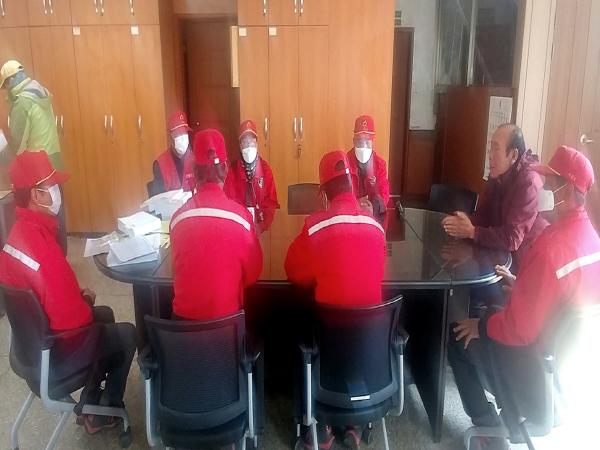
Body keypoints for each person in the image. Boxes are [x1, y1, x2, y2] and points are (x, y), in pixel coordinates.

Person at [448, 145, 600, 450]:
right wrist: (522, 284)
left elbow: (518, 329)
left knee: (457, 338)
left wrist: (481, 325)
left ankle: (489, 429)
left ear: (568, 190)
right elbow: (563, 298)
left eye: (551, 183)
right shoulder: (592, 240)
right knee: (496, 306)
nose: (544, 189)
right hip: (560, 366)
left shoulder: (550, 249)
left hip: (527, 364)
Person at [0, 151, 136, 434]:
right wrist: (84, 299)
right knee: (127, 335)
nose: (57, 191)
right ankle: (104, 412)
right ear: (36, 195)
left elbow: (45, 294)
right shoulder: (41, 248)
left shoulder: (19, 234)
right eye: (51, 186)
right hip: (54, 356)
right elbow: (72, 320)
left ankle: (92, 403)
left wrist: (77, 297)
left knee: (105, 314)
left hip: (29, 348)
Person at [285, 150, 386, 449]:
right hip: (369, 353)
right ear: (352, 185)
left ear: (323, 194)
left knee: (300, 325)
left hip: (329, 351)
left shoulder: (316, 227)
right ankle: (354, 424)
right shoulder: (376, 228)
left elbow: (293, 271)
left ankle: (319, 426)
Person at [170, 128, 263, 320]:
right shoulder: (242, 219)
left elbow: (178, 270)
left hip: (181, 332)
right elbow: (253, 273)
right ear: (226, 169)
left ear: (194, 171)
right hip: (225, 330)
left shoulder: (177, 220)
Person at [442, 124, 548, 272]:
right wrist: (464, 222)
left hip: (523, 264)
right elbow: (485, 215)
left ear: (513, 155)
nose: (490, 155)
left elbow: (512, 239)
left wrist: (472, 232)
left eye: (496, 149)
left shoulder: (529, 183)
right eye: (490, 148)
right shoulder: (497, 174)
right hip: (498, 253)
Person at [1, 60, 68, 254]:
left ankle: (47, 257)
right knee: (55, 211)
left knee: (41, 217)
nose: (5, 91)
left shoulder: (22, 102)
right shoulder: (39, 91)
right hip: (53, 160)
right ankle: (59, 256)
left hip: (37, 167)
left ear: (10, 81)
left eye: (5, 86)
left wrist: (2, 156)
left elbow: (17, 143)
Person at [224, 119, 279, 232]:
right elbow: (229, 201)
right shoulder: (232, 170)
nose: (249, 145)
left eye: (252, 141)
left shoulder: (265, 169)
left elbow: (271, 202)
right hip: (239, 228)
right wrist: (241, 225)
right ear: (240, 145)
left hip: (262, 229)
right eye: (245, 142)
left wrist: (261, 227)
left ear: (257, 143)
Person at [346, 115, 390, 219]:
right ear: (353, 141)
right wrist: (356, 204)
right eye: (359, 141)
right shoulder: (345, 162)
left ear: (372, 141)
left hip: (373, 216)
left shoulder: (380, 164)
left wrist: (373, 207)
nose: (363, 146)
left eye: (367, 141)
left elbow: (384, 194)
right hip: (350, 215)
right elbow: (340, 195)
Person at [150, 110, 195, 195]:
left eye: (184, 132)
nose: (182, 137)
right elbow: (159, 198)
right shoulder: (160, 164)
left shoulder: (195, 159)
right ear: (170, 136)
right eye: (178, 133)